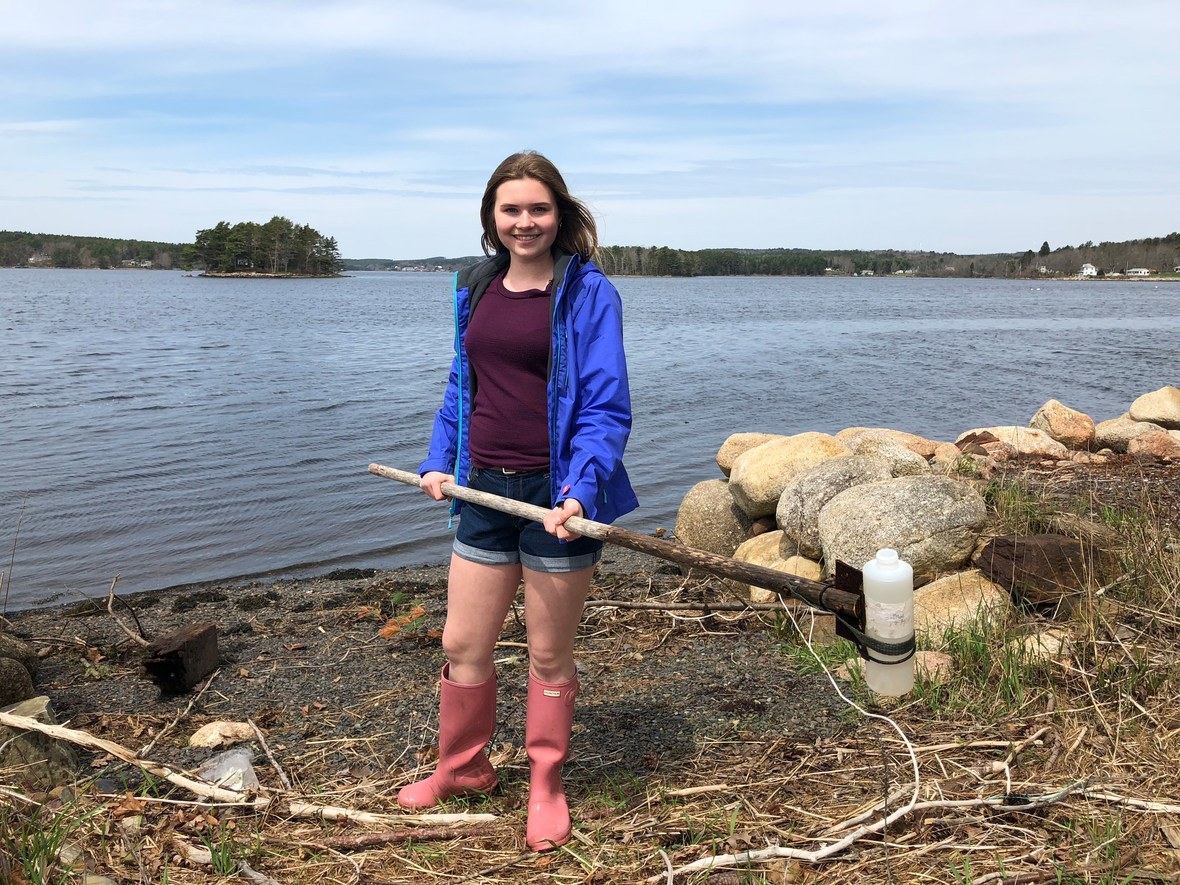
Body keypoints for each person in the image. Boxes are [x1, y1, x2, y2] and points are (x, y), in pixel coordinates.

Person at [398, 151, 638, 852]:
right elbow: (460, 386)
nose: (524, 221)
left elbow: (605, 405)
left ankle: (545, 783)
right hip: (482, 488)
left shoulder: (589, 294)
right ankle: (463, 767)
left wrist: (580, 489)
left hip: (555, 495)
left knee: (547, 653)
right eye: (511, 209)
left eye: (538, 208)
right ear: (491, 218)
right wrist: (439, 460)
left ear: (559, 213)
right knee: (463, 642)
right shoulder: (475, 287)